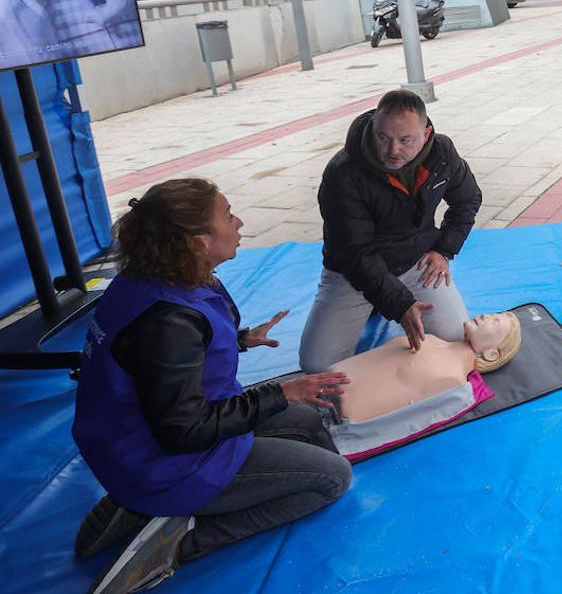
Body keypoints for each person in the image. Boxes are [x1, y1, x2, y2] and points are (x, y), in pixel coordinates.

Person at [72, 179, 352, 593]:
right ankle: (183, 538)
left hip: (130, 442)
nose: (238, 222)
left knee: (308, 420)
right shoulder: (168, 324)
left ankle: (135, 504)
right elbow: (184, 430)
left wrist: (240, 340)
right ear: (200, 241)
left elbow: (157, 365)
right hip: (166, 463)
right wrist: (282, 392)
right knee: (334, 478)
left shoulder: (154, 279)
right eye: (228, 214)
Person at [299, 89, 482, 373]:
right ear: (373, 128)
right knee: (317, 365)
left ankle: (380, 306)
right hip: (352, 274)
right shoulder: (344, 172)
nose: (392, 150)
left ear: (426, 134)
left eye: (405, 140)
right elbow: (356, 252)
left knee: (456, 339)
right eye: (383, 137)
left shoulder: (442, 153)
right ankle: (375, 306)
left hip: (415, 262)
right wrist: (400, 304)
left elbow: (468, 199)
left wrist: (443, 250)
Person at [331, 311, 522, 424]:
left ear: (491, 354)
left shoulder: (452, 378)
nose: (484, 315)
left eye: (495, 322)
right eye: (492, 314)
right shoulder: (430, 339)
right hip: (328, 382)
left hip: (336, 407)